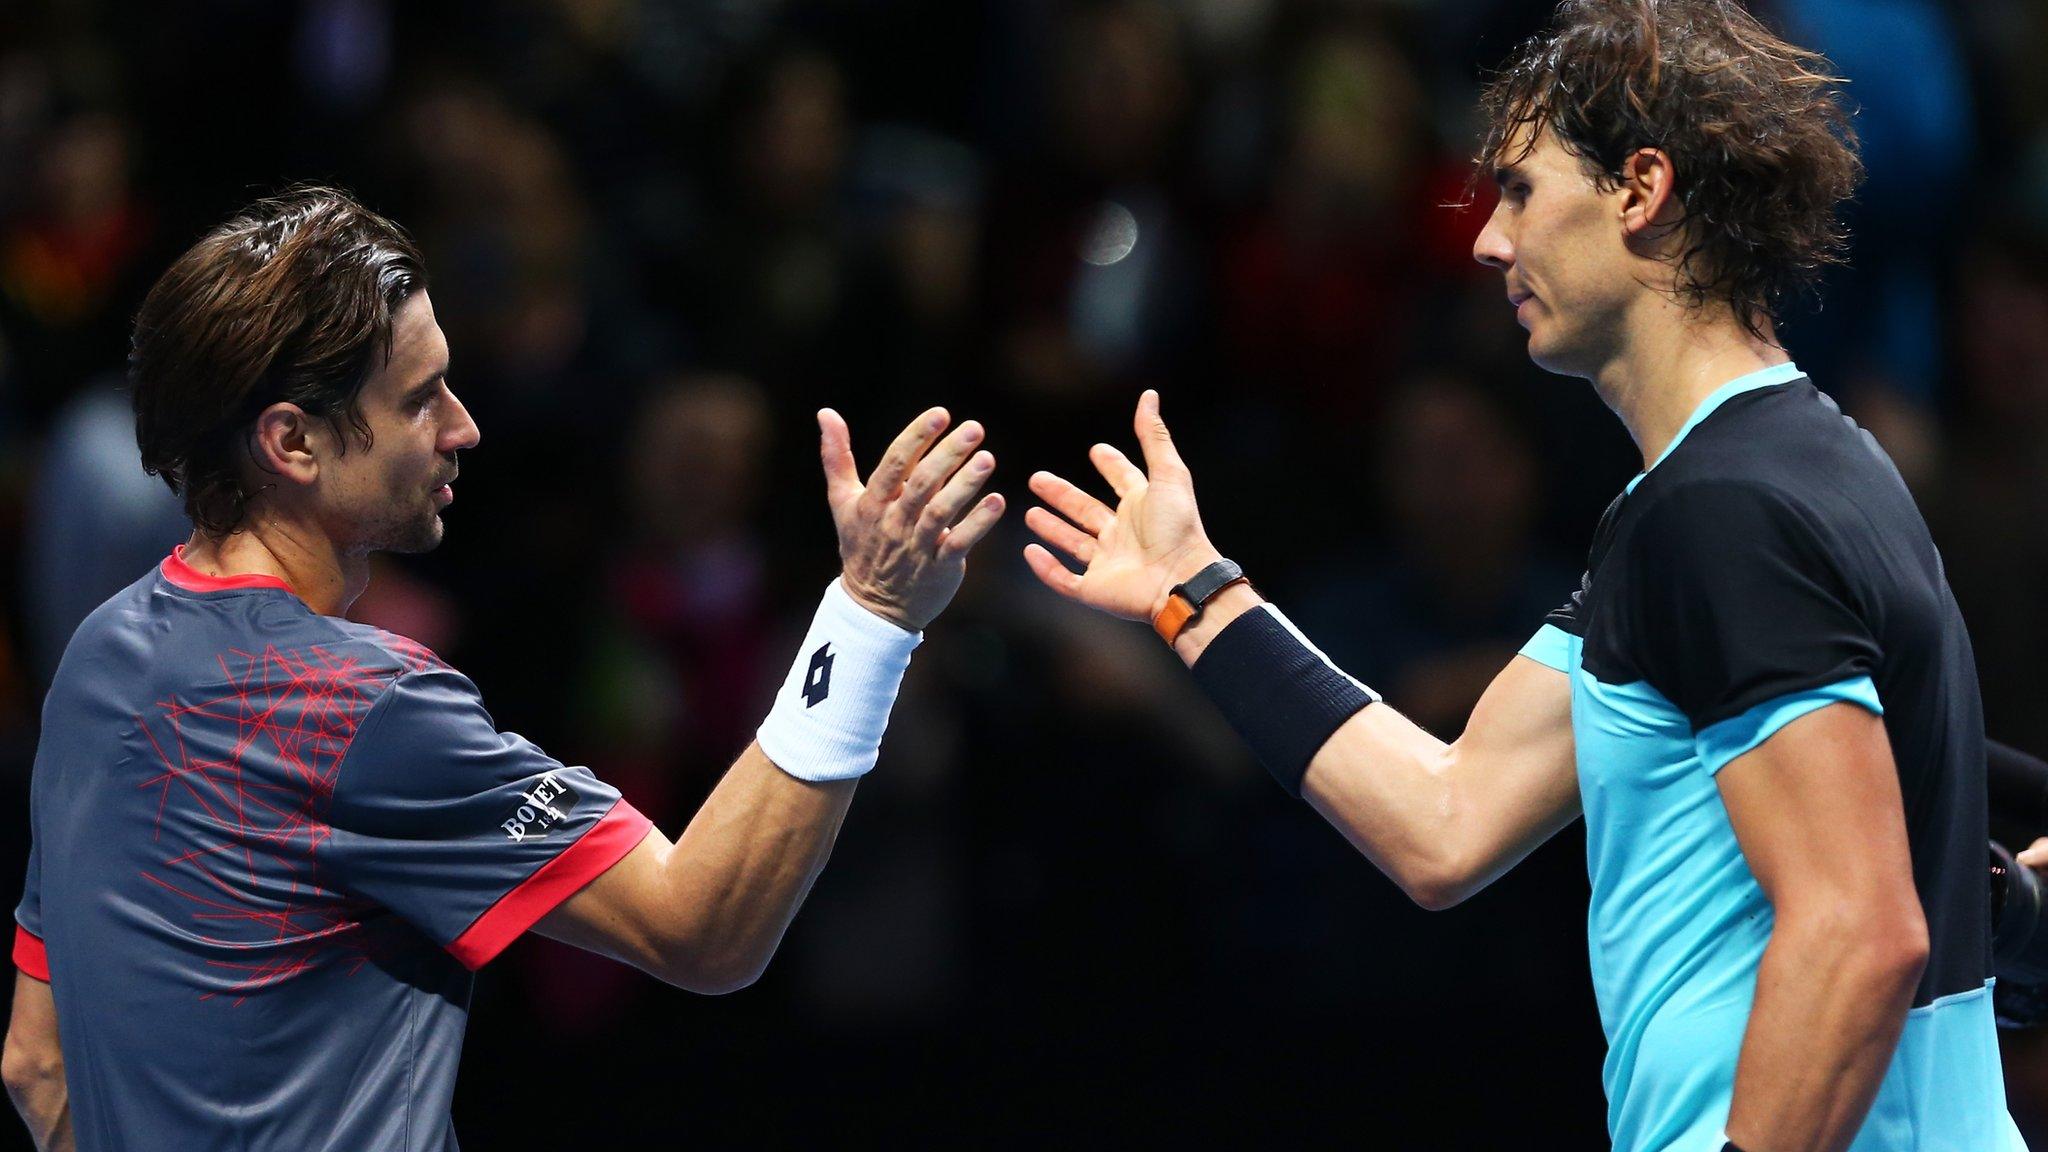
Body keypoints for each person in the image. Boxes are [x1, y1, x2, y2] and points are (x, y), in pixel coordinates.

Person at [1020, 1, 2023, 1149]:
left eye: (1519, 191)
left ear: (1639, 190)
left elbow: (1857, 929)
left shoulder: (1726, 515)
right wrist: (1192, 592)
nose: (1487, 241)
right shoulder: (1756, 486)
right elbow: (1445, 823)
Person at [0, 187, 1005, 1151]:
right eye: (418, 397)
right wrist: (867, 614)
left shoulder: (98, 658)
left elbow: (36, 1066)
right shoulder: (367, 707)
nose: (462, 427)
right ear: (293, 443)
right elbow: (705, 926)